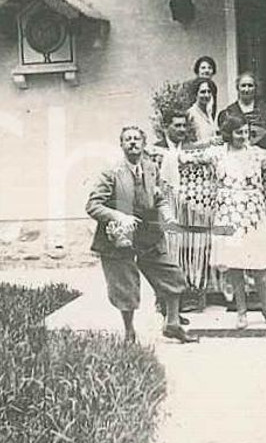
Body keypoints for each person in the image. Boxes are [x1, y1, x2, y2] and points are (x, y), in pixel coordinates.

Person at [85, 125, 198, 344]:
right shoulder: (111, 172)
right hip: (117, 236)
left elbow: (160, 197)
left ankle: (172, 325)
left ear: (144, 144)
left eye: (137, 138)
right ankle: (129, 332)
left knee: (171, 274)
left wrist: (168, 215)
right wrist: (118, 216)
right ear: (121, 145)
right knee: (125, 286)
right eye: (128, 139)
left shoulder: (151, 168)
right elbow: (92, 205)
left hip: (147, 232)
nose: (133, 142)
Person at [181, 114, 266, 330]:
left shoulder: (257, 154)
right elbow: (186, 157)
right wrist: (162, 152)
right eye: (239, 133)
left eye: (246, 132)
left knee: (260, 266)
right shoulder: (217, 154)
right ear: (229, 134)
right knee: (235, 266)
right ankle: (241, 312)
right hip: (228, 214)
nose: (243, 137)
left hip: (253, 215)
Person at [150, 111, 206, 317]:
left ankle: (192, 294)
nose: (182, 130)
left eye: (184, 126)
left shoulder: (191, 149)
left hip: (189, 206)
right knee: (167, 252)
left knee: (191, 249)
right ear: (166, 127)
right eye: (177, 126)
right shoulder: (155, 149)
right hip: (165, 206)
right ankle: (165, 299)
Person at [217, 71, 266, 152]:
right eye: (243, 86)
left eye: (250, 86)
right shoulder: (229, 112)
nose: (246, 89)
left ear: (255, 88)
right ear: (237, 88)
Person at [186, 77, 220, 147]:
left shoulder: (209, 112)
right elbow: (187, 145)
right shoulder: (191, 113)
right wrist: (208, 142)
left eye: (209, 91)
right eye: (203, 92)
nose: (207, 95)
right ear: (195, 94)